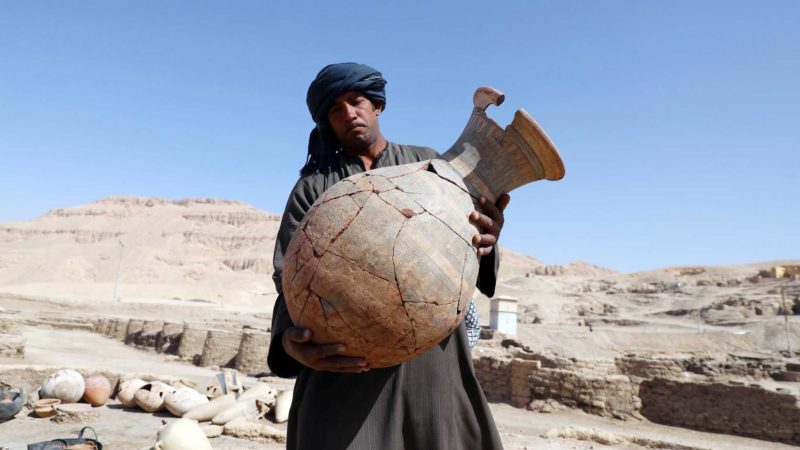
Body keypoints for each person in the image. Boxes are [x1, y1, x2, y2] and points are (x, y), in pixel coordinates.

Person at [268, 62, 510, 450]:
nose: (348, 114)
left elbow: (468, 251)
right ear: (326, 121)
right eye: (335, 109)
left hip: (432, 366)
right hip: (345, 369)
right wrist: (288, 339)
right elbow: (288, 278)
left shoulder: (431, 166)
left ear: (376, 105)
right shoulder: (312, 188)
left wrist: (488, 237)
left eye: (356, 101)